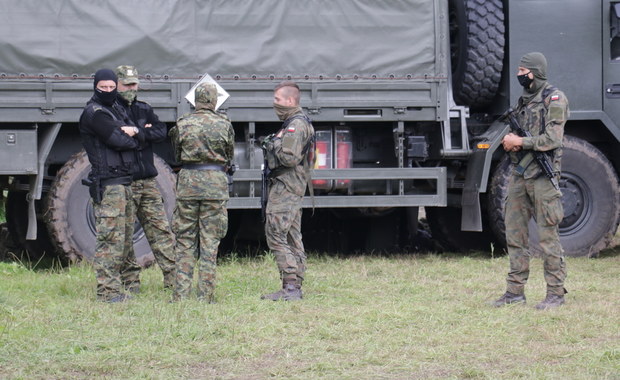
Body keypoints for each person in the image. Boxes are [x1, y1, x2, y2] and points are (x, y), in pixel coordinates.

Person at [493, 52, 570, 310]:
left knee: (548, 238)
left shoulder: (554, 99)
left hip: (542, 180)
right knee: (515, 234)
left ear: (535, 73)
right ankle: (514, 293)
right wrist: (512, 142)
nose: (519, 75)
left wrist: (521, 142)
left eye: (523, 71)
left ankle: (556, 294)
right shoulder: (524, 101)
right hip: (520, 175)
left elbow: (552, 140)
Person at [78, 68, 143, 303]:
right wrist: (129, 134)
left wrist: (131, 133)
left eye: (111, 87)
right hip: (108, 184)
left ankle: (128, 285)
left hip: (124, 182)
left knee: (125, 237)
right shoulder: (95, 113)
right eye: (102, 87)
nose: (107, 91)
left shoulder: (115, 109)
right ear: (95, 86)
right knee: (110, 239)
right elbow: (119, 140)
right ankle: (107, 291)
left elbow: (133, 137)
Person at [169, 82, 235, 302]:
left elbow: (177, 154)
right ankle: (206, 295)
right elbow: (229, 154)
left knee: (185, 238)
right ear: (214, 100)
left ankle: (180, 294)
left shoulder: (183, 123)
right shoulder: (224, 124)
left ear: (195, 100)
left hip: (188, 184)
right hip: (215, 186)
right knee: (210, 240)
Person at [115, 65, 176, 290]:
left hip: (148, 181)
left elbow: (161, 132)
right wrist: (143, 134)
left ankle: (173, 279)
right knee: (126, 235)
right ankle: (131, 282)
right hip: (125, 181)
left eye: (134, 84)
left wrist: (138, 132)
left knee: (161, 230)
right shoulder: (110, 110)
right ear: (117, 84)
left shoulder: (143, 109)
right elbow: (117, 138)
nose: (132, 88)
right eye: (127, 84)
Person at [261, 81, 315, 302]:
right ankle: (295, 286)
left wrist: (271, 145)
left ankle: (291, 286)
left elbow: (289, 158)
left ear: (290, 101)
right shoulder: (295, 123)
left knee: (275, 233)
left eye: (278, 100)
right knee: (292, 234)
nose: (275, 104)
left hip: (286, 185)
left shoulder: (295, 126)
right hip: (292, 185)